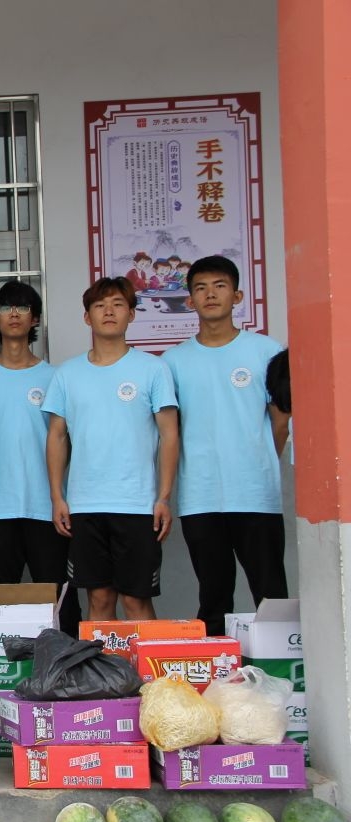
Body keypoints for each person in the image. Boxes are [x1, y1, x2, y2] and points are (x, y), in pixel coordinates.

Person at [162, 255, 288, 635]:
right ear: (190, 301)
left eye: (219, 286)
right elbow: (171, 430)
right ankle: (219, 679)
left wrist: (261, 459)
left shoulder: (266, 351)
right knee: (213, 596)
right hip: (201, 497)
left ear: (238, 295)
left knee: (271, 594)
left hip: (256, 494)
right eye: (200, 288)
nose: (210, 294)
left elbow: (280, 419)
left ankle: (283, 678)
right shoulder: (172, 361)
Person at [43, 277, 179, 621]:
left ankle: (149, 677)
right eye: (99, 305)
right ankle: (104, 676)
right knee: (99, 600)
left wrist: (163, 497)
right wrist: (58, 497)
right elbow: (57, 436)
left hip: (137, 505)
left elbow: (169, 435)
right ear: (87, 317)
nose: (109, 311)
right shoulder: (67, 374)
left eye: (118, 304)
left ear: (131, 314)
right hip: (85, 506)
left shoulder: (153, 368)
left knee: (136, 602)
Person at [0, 282, 81, 637]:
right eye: (6, 308)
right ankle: (7, 675)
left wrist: (61, 497)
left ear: (35, 319)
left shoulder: (57, 376)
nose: (14, 314)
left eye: (22, 308)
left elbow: (68, 439)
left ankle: (70, 669)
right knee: (2, 599)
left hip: (47, 506)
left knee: (59, 597)